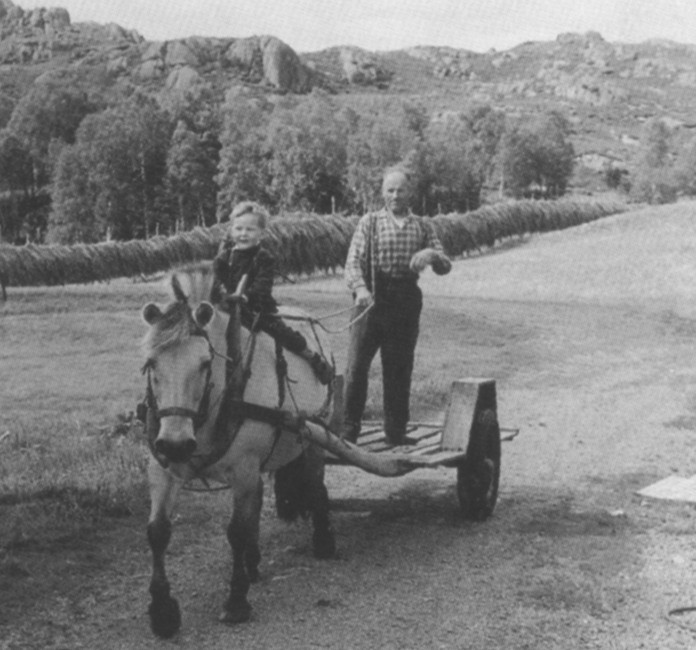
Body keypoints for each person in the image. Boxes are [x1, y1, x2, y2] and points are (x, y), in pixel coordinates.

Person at [342, 168, 452, 445]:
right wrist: (361, 289)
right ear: (382, 192)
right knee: (357, 367)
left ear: (409, 192)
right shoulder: (370, 222)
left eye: (400, 190)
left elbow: (445, 265)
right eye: (390, 190)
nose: (395, 195)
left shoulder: (423, 226)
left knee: (399, 367)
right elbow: (353, 261)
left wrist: (431, 255)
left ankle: (395, 432)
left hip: (405, 300)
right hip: (371, 298)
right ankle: (348, 430)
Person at [211, 201, 334, 384]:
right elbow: (214, 282)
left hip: (256, 309)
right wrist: (219, 295)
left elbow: (263, 285)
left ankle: (312, 357)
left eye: (250, 230)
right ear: (231, 230)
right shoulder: (223, 258)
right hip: (228, 307)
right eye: (239, 229)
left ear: (261, 232)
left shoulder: (263, 257)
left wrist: (247, 296)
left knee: (283, 333)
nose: (243, 234)